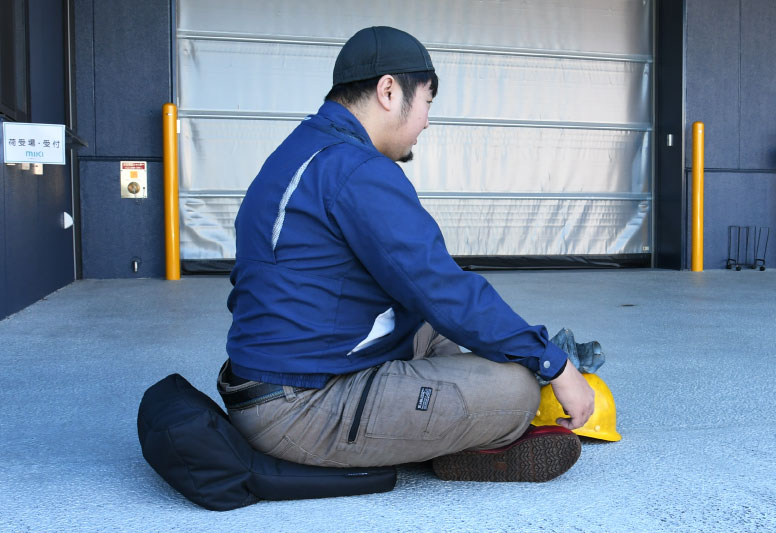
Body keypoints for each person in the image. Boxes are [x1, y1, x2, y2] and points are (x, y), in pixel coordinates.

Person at [218, 26, 594, 482]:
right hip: (302, 405)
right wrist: (554, 364)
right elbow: (441, 286)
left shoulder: (307, 148)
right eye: (428, 103)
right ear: (389, 91)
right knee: (516, 390)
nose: (427, 122)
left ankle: (445, 421)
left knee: (432, 327)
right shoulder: (356, 169)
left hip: (275, 378)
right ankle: (471, 437)